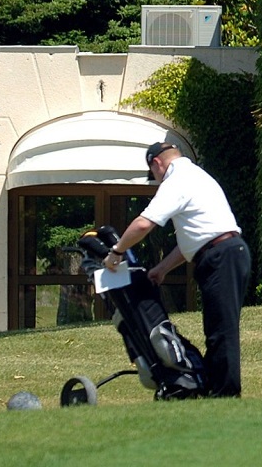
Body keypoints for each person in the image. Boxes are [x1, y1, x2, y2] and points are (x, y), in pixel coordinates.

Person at [103, 141, 249, 397]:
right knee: (216, 328)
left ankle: (226, 394)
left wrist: (116, 252)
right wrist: (162, 268)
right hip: (224, 252)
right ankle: (214, 388)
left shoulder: (177, 180)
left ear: (156, 163)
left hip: (221, 256)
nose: (156, 180)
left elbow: (143, 224)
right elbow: (195, 239)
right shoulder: (196, 176)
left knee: (221, 329)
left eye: (154, 175)